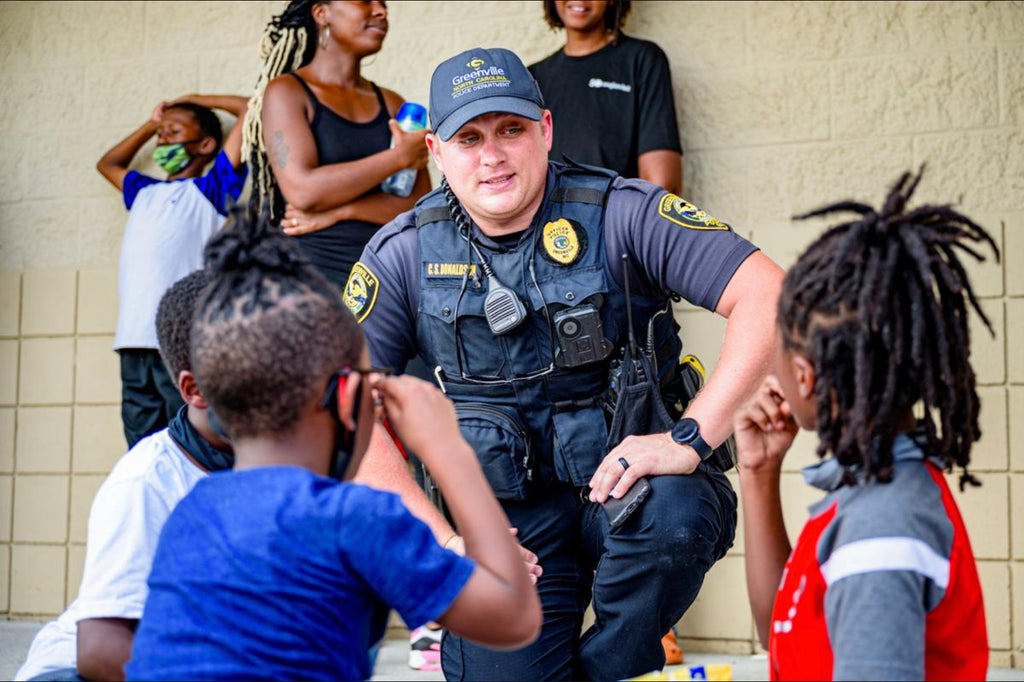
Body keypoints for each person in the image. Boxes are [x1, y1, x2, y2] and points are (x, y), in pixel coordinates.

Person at [344, 47, 784, 680]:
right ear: (436, 152)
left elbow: (768, 294)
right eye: (469, 138)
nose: (492, 155)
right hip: (504, 520)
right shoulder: (404, 253)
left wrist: (690, 439)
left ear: (545, 130)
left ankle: (607, 670)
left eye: (511, 130)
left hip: (632, 493)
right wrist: (444, 544)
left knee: (677, 515)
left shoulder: (622, 211)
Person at [124, 207, 541, 681]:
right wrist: (449, 451)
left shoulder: (191, 512)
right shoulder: (356, 519)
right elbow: (514, 616)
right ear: (347, 397)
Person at [734, 170, 993, 680]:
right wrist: (758, 473)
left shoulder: (882, 524)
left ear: (803, 377)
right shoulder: (870, 491)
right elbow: (782, 634)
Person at [14, 270, 234, 682]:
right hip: (76, 671)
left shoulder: (276, 470)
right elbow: (101, 654)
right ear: (195, 391)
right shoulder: (146, 482)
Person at [243, 0, 431, 289]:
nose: (381, 11)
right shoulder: (288, 92)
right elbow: (303, 191)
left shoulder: (392, 103)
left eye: (383, 4)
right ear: (322, 13)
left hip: (389, 276)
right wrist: (397, 158)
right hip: (311, 279)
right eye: (365, 1)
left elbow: (416, 207)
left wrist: (340, 211)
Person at [96, 94, 248, 448]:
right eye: (160, 135)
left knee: (187, 441)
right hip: (132, 341)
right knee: (141, 445)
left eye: (172, 132)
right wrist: (152, 124)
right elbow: (107, 164)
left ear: (207, 144)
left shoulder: (210, 191)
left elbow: (248, 108)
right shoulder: (143, 192)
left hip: (177, 341)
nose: (162, 141)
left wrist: (192, 99)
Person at [529, 0, 682, 194]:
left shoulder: (642, 60)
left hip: (618, 221)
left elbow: (662, 184)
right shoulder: (532, 78)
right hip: (552, 223)